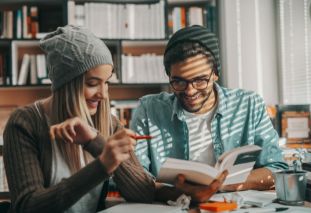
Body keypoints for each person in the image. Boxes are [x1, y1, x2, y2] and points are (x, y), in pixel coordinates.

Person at [3, 25, 155, 213]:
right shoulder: (24, 124)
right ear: (66, 85)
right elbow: (28, 207)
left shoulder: (109, 123)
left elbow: (145, 193)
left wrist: (95, 142)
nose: (103, 94)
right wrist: (102, 166)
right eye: (92, 84)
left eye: (106, 82)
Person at [131, 25, 288, 202]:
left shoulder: (249, 105)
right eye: (179, 82)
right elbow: (137, 179)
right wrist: (182, 194)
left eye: (199, 80)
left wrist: (222, 184)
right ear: (169, 76)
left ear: (215, 74)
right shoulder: (148, 110)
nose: (190, 91)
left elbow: (277, 169)